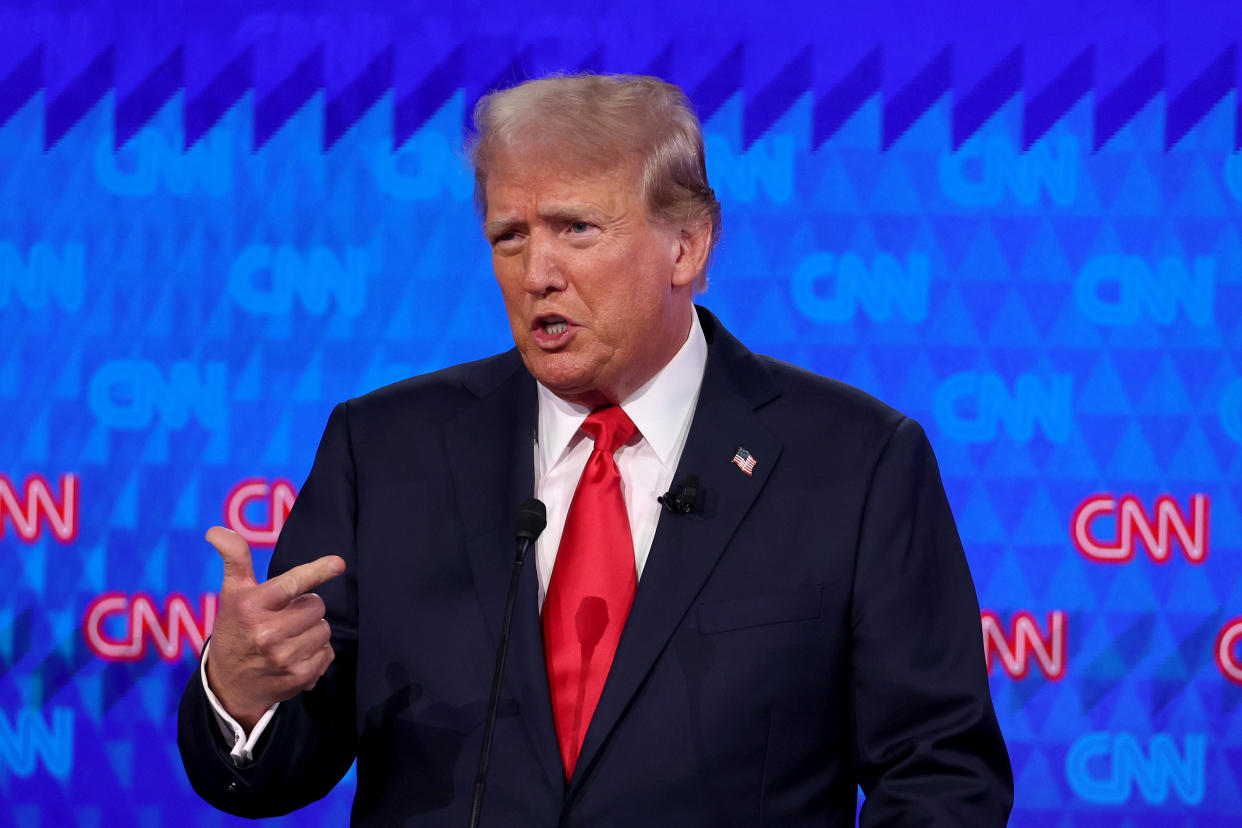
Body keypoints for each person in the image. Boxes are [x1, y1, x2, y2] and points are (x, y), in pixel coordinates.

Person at [179, 73, 1013, 826]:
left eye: (575, 227)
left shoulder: (856, 461)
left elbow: (940, 776)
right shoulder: (387, 449)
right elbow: (279, 770)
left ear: (686, 246)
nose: (536, 270)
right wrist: (244, 692)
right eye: (509, 236)